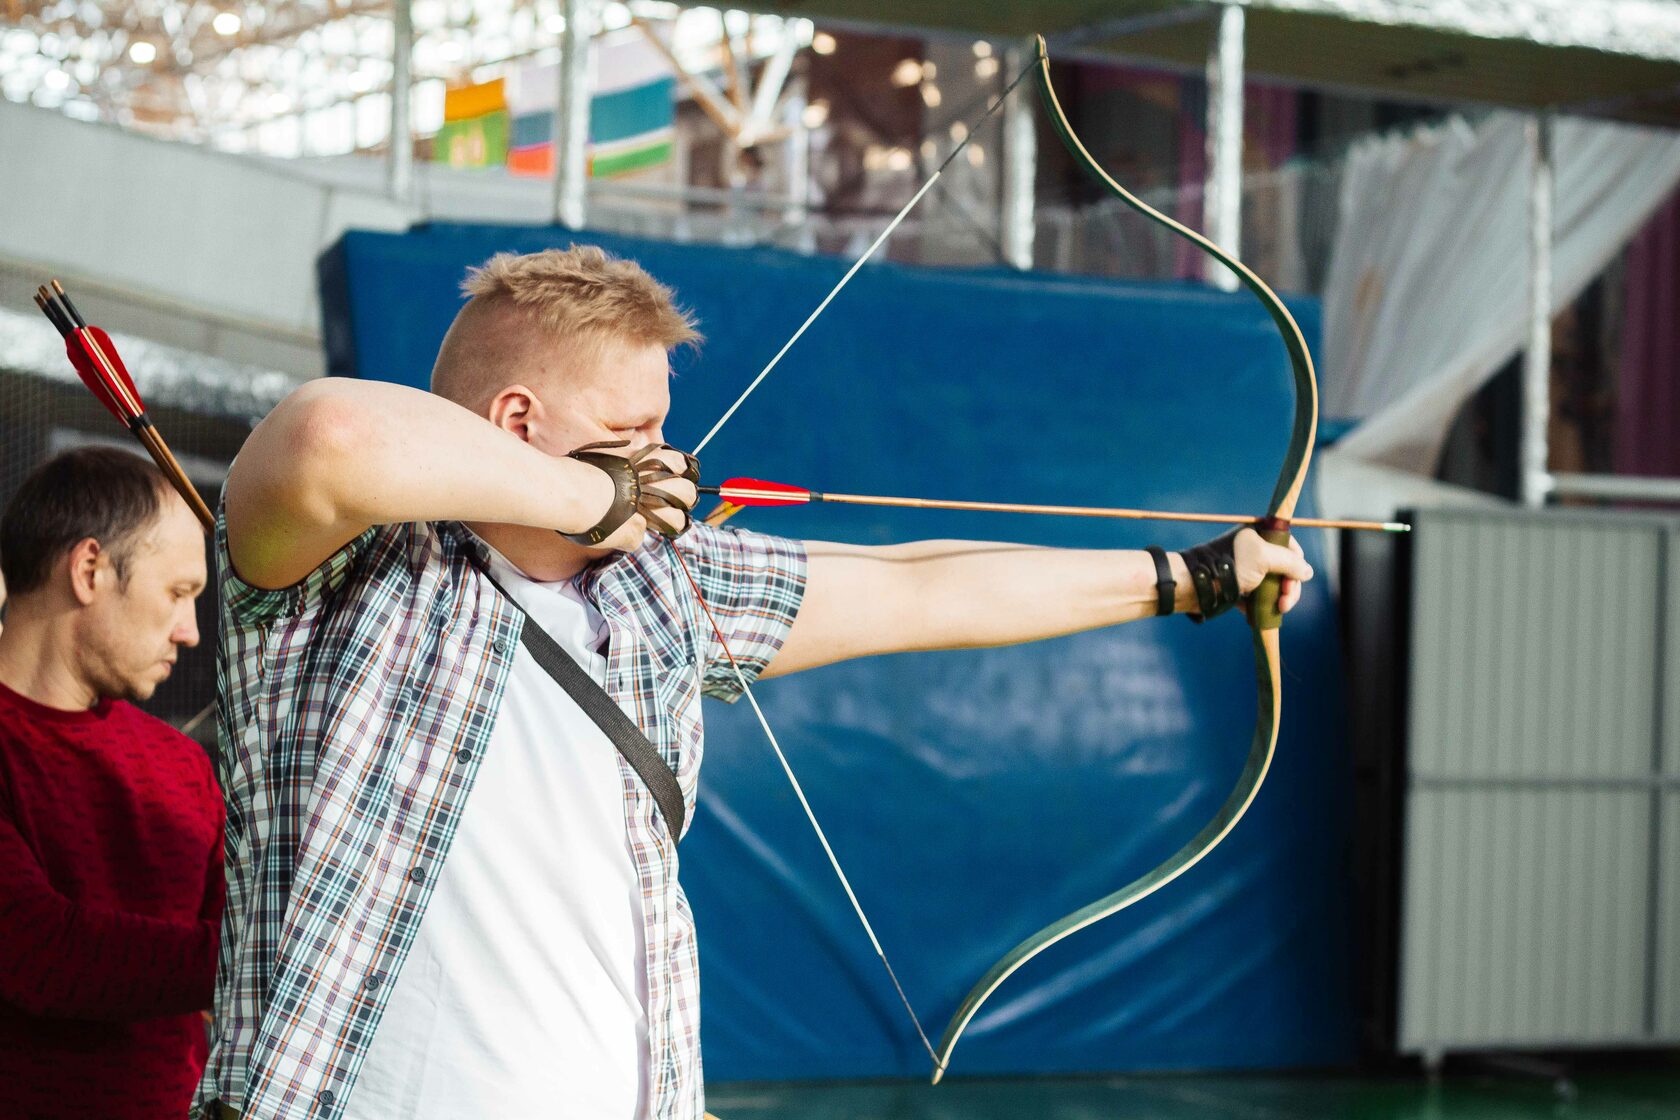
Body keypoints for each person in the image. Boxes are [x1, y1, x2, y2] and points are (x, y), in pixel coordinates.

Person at [201, 245, 1312, 1120]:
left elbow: (923, 586)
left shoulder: (655, 595)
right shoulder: (350, 581)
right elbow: (329, 434)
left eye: (666, 428)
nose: (671, 462)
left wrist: (1194, 576)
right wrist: (594, 500)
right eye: (630, 432)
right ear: (519, 425)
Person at [0, 447, 224, 1119]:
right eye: (178, 593)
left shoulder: (182, 768)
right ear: (90, 569)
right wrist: (284, 949)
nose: (190, 632)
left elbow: (229, 950)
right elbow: (41, 952)